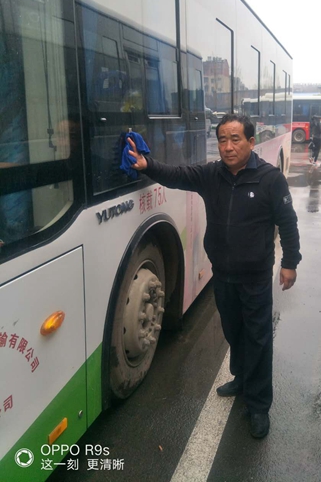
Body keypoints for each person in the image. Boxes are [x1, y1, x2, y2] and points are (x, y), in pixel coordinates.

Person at [127, 114, 301, 439]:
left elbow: (288, 222)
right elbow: (177, 175)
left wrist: (290, 262)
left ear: (251, 142)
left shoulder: (270, 179)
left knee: (258, 338)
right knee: (234, 331)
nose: (228, 147)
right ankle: (241, 378)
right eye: (222, 140)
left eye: (235, 139)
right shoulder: (211, 175)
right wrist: (146, 164)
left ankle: (258, 405)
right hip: (223, 273)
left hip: (255, 276)